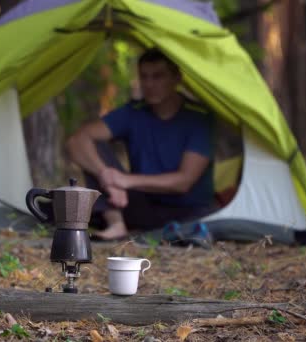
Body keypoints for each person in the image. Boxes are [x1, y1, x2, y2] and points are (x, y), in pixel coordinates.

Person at [66, 48, 215, 241]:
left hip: (191, 213)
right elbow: (76, 141)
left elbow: (184, 182)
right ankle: (115, 224)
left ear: (176, 78)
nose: (149, 84)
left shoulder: (199, 118)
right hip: (142, 207)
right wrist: (106, 176)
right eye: (144, 77)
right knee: (94, 146)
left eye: (158, 76)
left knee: (198, 223)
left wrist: (126, 180)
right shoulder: (134, 112)